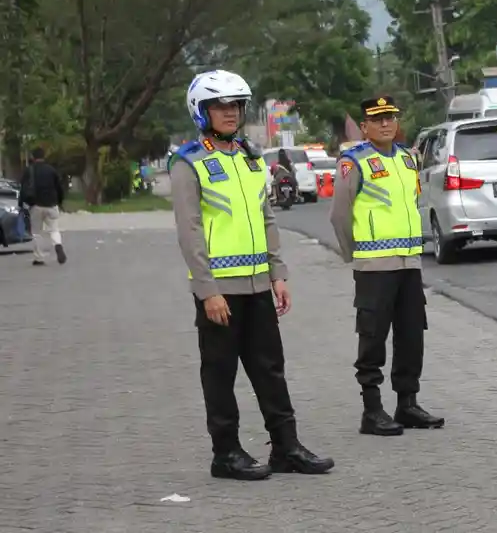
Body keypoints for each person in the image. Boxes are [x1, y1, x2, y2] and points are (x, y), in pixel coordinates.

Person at [169, 69, 334, 480]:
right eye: (219, 106)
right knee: (220, 373)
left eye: (235, 106)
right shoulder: (189, 163)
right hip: (220, 291)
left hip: (259, 284)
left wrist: (278, 273)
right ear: (201, 111)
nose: (229, 113)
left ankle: (286, 447)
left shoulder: (250, 157)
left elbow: (266, 217)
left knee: (269, 369)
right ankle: (225, 453)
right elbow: (189, 232)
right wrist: (207, 290)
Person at [330, 95, 444, 436]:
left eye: (390, 118)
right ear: (364, 127)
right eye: (377, 120)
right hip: (374, 267)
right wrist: (356, 255)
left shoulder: (408, 159)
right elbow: (339, 215)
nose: (385, 124)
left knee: (411, 336)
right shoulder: (354, 162)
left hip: (410, 264)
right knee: (373, 338)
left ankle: (407, 403)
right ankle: (372, 409)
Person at [19, 147, 67, 266]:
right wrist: (60, 201)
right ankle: (58, 245)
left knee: (36, 232)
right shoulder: (51, 170)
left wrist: (21, 203)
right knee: (54, 229)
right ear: (44, 156)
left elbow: (23, 189)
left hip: (36, 205)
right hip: (51, 204)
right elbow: (59, 188)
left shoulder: (29, 171)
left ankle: (39, 258)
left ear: (32, 157)